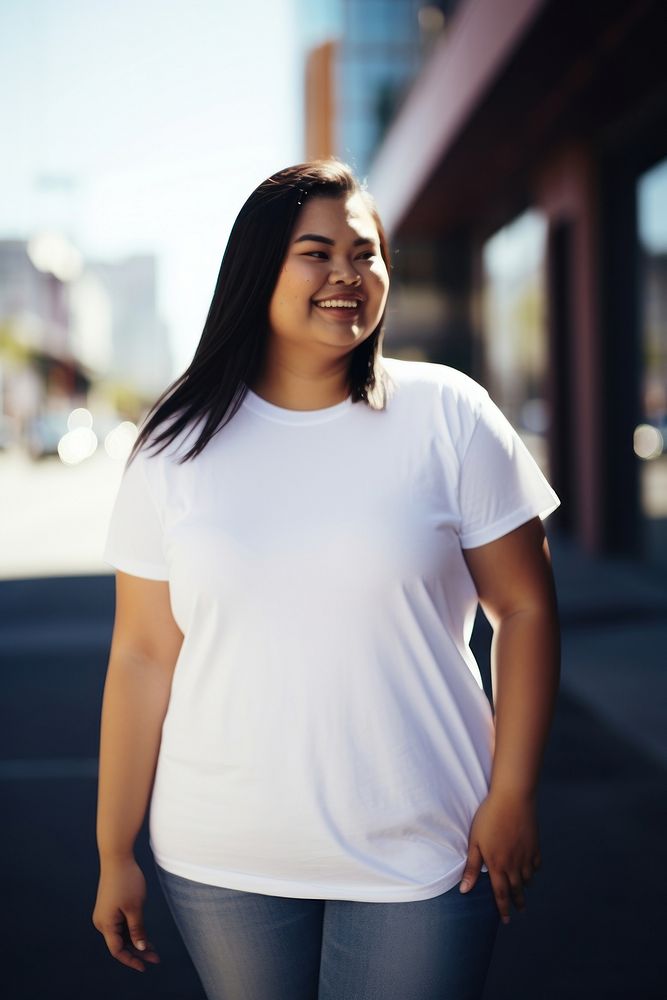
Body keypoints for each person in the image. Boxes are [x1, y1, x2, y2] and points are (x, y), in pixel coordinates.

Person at [93, 159, 561, 1000]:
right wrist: (113, 851)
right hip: (222, 858)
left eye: (365, 253)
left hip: (429, 849)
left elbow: (524, 606)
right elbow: (141, 654)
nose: (347, 274)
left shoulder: (446, 413)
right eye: (317, 252)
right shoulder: (172, 444)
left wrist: (515, 791)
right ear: (257, 269)